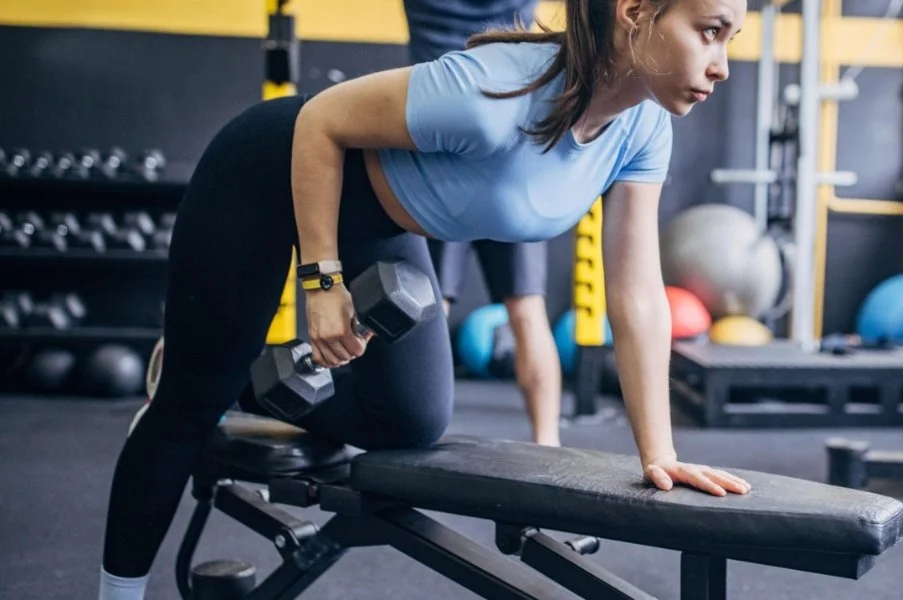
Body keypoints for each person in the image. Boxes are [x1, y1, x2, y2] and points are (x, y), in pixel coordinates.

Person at [98, 0, 749, 598]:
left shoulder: (643, 129)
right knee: (186, 411)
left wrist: (658, 454)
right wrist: (322, 284)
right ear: (636, 11)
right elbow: (320, 122)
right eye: (710, 31)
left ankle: (227, 374)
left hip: (381, 215)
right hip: (267, 169)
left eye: (731, 39)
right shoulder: (492, 91)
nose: (720, 66)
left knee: (408, 421)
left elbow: (635, 291)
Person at [404, 0, 564, 447]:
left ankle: (408, 439)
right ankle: (547, 444)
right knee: (526, 310)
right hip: (511, 142)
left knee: (427, 310)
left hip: (437, 141)